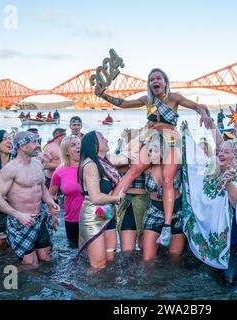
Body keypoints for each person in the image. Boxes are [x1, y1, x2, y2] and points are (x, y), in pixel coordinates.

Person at [96, 68, 213, 247]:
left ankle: (166, 227)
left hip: (171, 137)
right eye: (151, 80)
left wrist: (204, 114)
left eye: (158, 78)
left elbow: (196, 106)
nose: (154, 82)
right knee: (134, 171)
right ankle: (108, 207)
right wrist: (104, 96)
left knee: (167, 180)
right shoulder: (147, 100)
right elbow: (123, 103)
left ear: (165, 81)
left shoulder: (175, 98)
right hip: (152, 137)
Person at [182, 124, 237, 283]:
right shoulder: (211, 171)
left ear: (236, 156)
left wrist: (229, 181)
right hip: (212, 235)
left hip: (233, 239)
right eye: (219, 152)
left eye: (226, 152)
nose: (220, 154)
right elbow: (194, 169)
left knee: (230, 280)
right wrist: (186, 136)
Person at [0, 131, 60, 266]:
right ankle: (24, 286)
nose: (38, 145)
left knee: (46, 258)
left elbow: (41, 188)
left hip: (40, 218)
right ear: (22, 146)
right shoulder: (10, 169)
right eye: (34, 142)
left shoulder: (36, 164)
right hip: (21, 222)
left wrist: (51, 203)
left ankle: (46, 285)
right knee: (31, 263)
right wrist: (18, 215)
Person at [78, 131, 124, 269]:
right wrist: (117, 198)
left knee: (111, 259)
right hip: (93, 215)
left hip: (107, 213)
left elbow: (128, 158)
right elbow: (96, 197)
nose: (106, 139)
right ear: (94, 144)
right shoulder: (90, 165)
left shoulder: (105, 162)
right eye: (102, 137)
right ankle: (89, 290)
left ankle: (109, 289)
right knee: (98, 265)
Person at [141, 132, 185, 261]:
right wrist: (144, 135)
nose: (150, 154)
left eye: (154, 150)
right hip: (155, 211)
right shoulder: (146, 168)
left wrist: (181, 140)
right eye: (149, 151)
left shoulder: (176, 164)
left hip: (177, 212)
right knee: (148, 259)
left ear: (162, 151)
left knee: (174, 258)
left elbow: (196, 160)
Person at [111, 129, 150, 253]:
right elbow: (116, 165)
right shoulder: (119, 154)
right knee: (127, 252)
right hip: (128, 203)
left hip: (147, 202)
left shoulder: (148, 154)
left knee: (144, 250)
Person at [49, 135, 82, 243]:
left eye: (79, 144)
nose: (78, 147)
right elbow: (51, 195)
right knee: (74, 252)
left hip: (94, 217)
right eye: (73, 145)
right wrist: (53, 215)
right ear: (66, 151)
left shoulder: (90, 166)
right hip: (72, 219)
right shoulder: (60, 171)